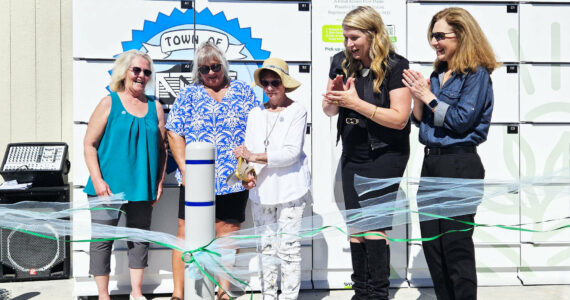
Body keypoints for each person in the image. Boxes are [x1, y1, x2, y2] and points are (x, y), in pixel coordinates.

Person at [402, 7, 499, 300]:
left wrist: (429, 97)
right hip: (431, 163)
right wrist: (418, 96)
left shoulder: (476, 74)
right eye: (432, 35)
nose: (434, 42)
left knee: (456, 246)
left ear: (462, 36)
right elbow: (421, 122)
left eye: (440, 35)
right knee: (434, 246)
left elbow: (460, 121)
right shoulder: (438, 73)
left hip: (460, 164)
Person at [322, 6, 411, 300]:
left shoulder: (396, 66)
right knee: (356, 226)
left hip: (385, 153)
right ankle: (360, 292)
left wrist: (356, 102)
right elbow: (329, 110)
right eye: (346, 38)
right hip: (353, 151)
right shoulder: (340, 61)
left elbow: (399, 119)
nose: (349, 44)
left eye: (354, 37)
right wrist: (334, 97)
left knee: (375, 227)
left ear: (373, 34)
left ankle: (377, 294)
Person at [165, 41, 259, 300]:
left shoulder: (243, 92)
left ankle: (224, 291)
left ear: (224, 66)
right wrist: (186, 170)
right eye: (204, 69)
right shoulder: (189, 94)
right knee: (185, 233)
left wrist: (250, 167)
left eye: (215, 66)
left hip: (233, 178)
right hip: (195, 180)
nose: (211, 73)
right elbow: (173, 132)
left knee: (228, 232)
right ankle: (178, 293)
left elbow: (257, 132)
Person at [83, 49, 167, 300]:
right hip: (106, 188)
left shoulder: (156, 107)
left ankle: (137, 293)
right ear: (124, 72)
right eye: (137, 70)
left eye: (147, 72)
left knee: (139, 240)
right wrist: (98, 181)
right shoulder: (109, 102)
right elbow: (89, 144)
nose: (142, 76)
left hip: (142, 187)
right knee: (102, 242)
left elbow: (163, 149)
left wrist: (159, 182)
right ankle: (102, 295)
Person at [233, 57, 310, 300]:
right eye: (265, 83)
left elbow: (290, 153)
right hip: (261, 192)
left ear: (284, 83)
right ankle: (268, 296)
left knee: (288, 251)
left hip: (290, 191)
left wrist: (253, 156)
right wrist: (246, 175)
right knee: (265, 250)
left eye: (274, 82)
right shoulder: (255, 113)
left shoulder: (298, 110)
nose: (269, 88)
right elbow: (249, 149)